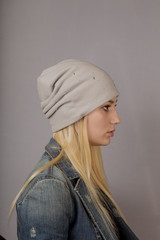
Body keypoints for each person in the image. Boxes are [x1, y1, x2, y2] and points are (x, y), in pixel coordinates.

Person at [11, 59, 139, 239]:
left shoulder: (83, 179)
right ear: (75, 114)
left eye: (114, 106)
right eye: (106, 107)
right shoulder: (49, 188)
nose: (116, 118)